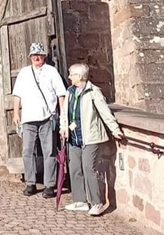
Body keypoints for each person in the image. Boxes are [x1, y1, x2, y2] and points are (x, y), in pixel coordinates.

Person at [60, 63, 124, 215]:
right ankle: (80, 200)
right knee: (75, 168)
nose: (69, 77)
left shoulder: (93, 91)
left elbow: (104, 111)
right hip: (74, 136)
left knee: (89, 168)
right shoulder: (70, 91)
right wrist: (63, 127)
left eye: (71, 74)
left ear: (79, 76)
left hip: (90, 136)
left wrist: (114, 129)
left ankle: (97, 202)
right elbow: (64, 113)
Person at [12, 42, 66, 198]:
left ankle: (49, 185)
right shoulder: (24, 72)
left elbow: (60, 94)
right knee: (27, 152)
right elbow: (18, 95)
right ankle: (30, 183)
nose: (37, 57)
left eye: (39, 55)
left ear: (44, 56)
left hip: (47, 118)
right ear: (30, 57)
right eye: (34, 55)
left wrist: (62, 116)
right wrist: (16, 113)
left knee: (49, 152)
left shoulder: (51, 71)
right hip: (28, 118)